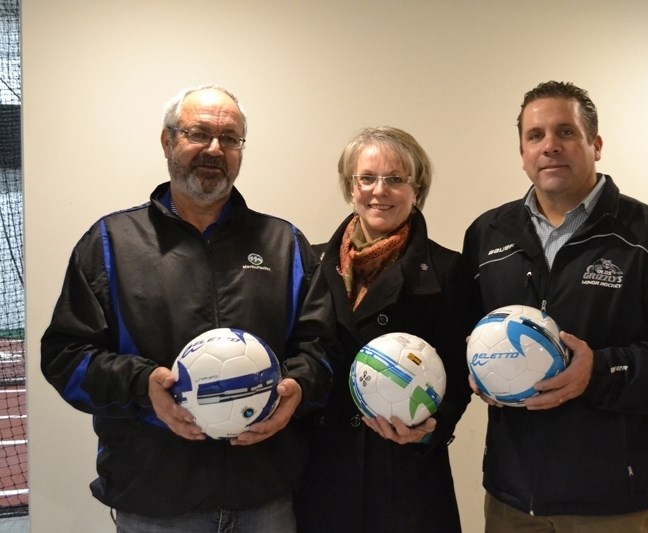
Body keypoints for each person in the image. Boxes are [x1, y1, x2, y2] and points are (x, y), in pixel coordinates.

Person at [40, 84, 335, 533]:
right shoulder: (110, 243)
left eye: (230, 138)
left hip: (265, 499)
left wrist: (299, 387)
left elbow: (321, 349)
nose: (214, 149)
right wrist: (143, 385)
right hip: (154, 501)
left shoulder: (285, 245)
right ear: (167, 141)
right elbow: (65, 357)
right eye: (199, 133)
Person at [461, 81, 648, 532]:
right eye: (535, 135)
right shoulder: (488, 234)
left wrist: (600, 370)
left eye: (565, 132)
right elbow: (462, 329)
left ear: (596, 144)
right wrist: (474, 367)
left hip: (609, 501)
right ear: (523, 153)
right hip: (510, 496)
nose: (550, 146)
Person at [294, 126, 473, 533]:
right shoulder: (310, 263)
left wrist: (431, 429)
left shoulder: (448, 270)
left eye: (396, 179)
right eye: (367, 178)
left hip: (405, 477)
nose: (380, 191)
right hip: (322, 473)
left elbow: (460, 376)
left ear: (416, 188)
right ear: (350, 186)